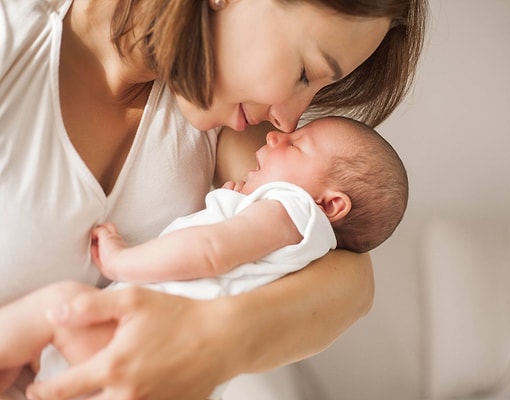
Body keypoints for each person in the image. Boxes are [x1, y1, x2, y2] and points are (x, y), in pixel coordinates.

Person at [0, 0, 427, 398]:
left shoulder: (221, 120)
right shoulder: (15, 47)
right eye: (304, 72)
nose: (288, 119)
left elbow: (350, 279)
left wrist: (212, 339)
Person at [0, 116, 409, 398]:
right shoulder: (300, 243)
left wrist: (122, 260)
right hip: (166, 374)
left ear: (330, 205)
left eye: (298, 144)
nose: (276, 135)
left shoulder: (294, 206)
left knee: (56, 308)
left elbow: (211, 251)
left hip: (134, 339)